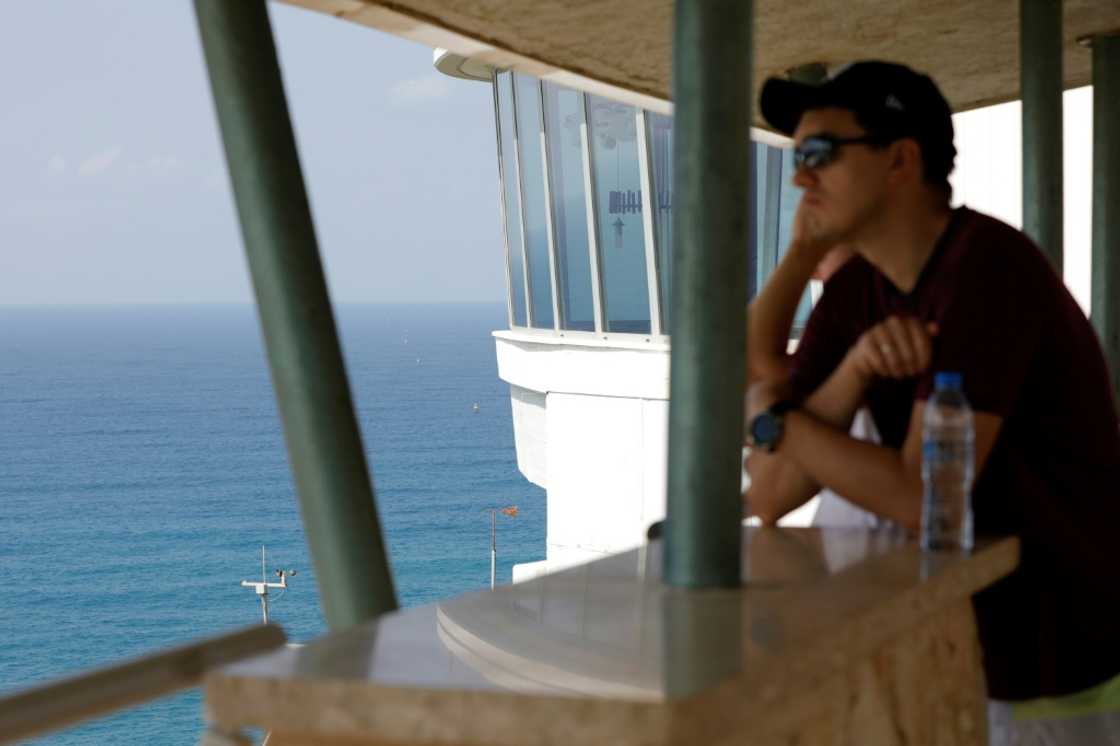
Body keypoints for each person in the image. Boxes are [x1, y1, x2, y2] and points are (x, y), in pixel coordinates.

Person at [741, 60, 1120, 736]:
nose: (800, 177)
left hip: (1045, 664)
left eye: (820, 154)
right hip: (945, 649)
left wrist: (774, 419)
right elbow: (769, 495)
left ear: (900, 161)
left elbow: (922, 495)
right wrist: (803, 261)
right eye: (796, 157)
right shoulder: (859, 287)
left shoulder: (989, 271)